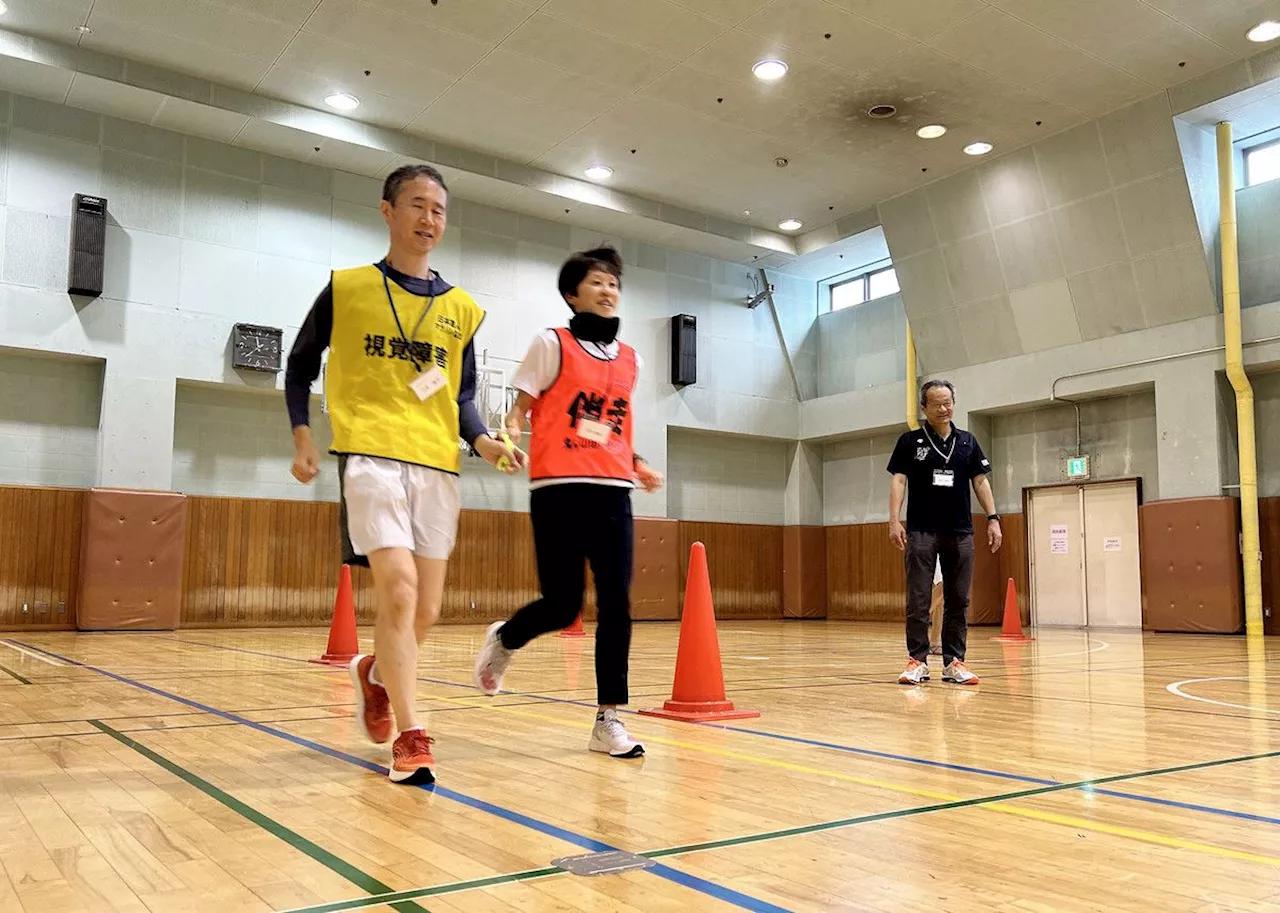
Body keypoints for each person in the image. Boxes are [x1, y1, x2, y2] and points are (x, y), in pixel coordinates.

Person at [285, 163, 523, 784]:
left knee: (426, 614)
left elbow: (462, 396)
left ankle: (373, 673)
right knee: (397, 592)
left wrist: (485, 443)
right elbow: (299, 366)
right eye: (417, 205)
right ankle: (413, 738)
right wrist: (304, 436)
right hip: (368, 455)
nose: (429, 219)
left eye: (439, 210)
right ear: (388, 211)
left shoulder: (462, 310)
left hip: (437, 463)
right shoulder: (348, 288)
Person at [472, 245, 664, 757]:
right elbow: (520, 412)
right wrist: (509, 436)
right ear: (571, 294)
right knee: (562, 604)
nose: (608, 291)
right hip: (557, 490)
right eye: (597, 282)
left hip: (612, 492)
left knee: (617, 604)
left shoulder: (631, 359)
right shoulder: (550, 344)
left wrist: (637, 461)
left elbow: (612, 427)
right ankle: (507, 638)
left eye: (614, 283)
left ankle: (608, 718)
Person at [887, 379, 1001, 686]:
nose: (943, 408)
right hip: (922, 531)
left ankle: (954, 662)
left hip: (960, 531)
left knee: (958, 599)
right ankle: (917, 661)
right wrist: (894, 520)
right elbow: (899, 480)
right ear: (923, 407)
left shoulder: (968, 441)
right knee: (919, 598)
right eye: (936, 403)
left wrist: (993, 518)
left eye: (948, 402)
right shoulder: (909, 442)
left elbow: (980, 481)